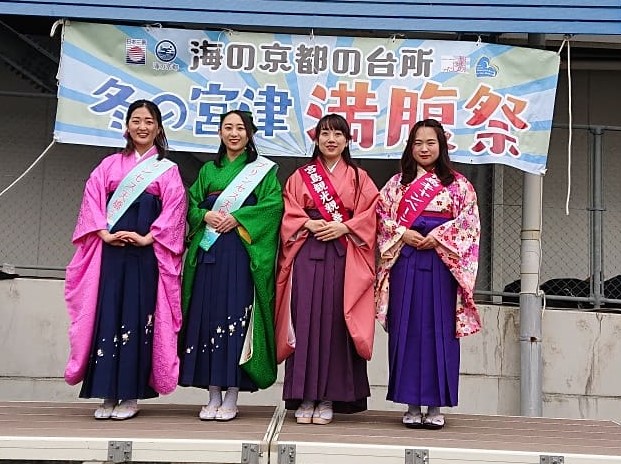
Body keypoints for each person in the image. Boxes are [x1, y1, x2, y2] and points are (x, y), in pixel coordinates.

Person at [64, 99, 187, 420]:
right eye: (136, 120)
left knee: (138, 316)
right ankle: (107, 393)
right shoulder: (108, 165)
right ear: (127, 126)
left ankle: (131, 395)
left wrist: (149, 237)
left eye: (149, 122)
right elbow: (92, 201)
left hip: (146, 256)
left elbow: (175, 210)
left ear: (158, 129)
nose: (142, 127)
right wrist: (103, 234)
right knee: (107, 314)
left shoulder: (167, 169)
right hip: (110, 254)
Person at [375, 119, 481, 430]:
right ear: (410, 147)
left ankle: (435, 406)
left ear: (441, 146)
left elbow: (469, 223)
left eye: (430, 143)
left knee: (440, 332)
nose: (424, 148)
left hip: (442, 265)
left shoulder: (459, 185)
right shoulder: (397, 184)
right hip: (406, 262)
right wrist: (402, 233)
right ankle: (410, 404)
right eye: (418, 143)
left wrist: (440, 236)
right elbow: (380, 217)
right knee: (405, 329)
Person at [179, 110, 283, 421]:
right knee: (208, 317)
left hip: (241, 254)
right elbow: (190, 204)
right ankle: (212, 393)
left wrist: (239, 217)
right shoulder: (209, 170)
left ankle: (232, 395)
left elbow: (273, 206)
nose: (234, 133)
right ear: (220, 133)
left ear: (250, 134)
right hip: (209, 253)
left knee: (237, 317)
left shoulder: (262, 172)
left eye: (240, 128)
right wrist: (204, 215)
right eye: (228, 127)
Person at [275, 114, 379, 425]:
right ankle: (305, 395)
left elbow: (371, 215)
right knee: (304, 320)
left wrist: (344, 227)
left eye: (337, 134)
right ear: (316, 139)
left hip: (343, 254)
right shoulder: (300, 176)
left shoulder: (359, 177)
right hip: (307, 252)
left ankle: (330, 397)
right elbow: (288, 211)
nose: (330, 139)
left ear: (347, 141)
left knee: (336, 322)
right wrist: (306, 223)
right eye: (325, 134)